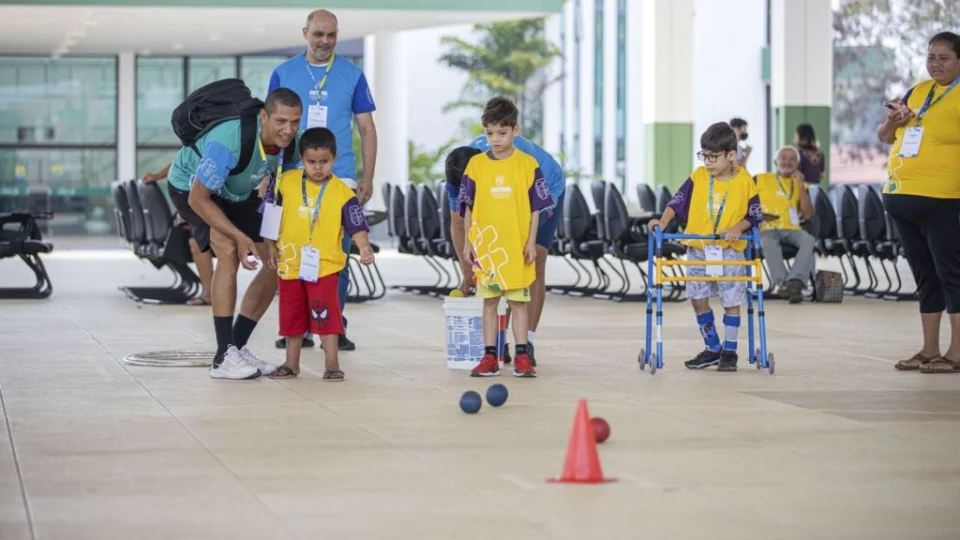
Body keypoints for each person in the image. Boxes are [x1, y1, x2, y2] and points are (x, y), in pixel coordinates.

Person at [167, 88, 304, 380]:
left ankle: (237, 346)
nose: (288, 130)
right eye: (281, 121)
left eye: (295, 122)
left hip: (237, 193)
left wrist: (271, 239)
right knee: (228, 251)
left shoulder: (292, 146)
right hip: (191, 189)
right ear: (263, 116)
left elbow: (282, 194)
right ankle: (222, 358)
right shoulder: (229, 140)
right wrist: (242, 239)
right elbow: (198, 198)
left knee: (275, 259)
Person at [268, 8, 378, 352]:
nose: (325, 42)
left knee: (337, 255)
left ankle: (333, 325)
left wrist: (367, 176)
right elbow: (270, 127)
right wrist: (267, 175)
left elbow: (366, 128)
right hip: (291, 175)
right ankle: (296, 329)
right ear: (305, 34)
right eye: (318, 34)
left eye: (331, 35)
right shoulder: (283, 72)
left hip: (339, 175)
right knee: (291, 254)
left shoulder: (352, 74)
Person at [647, 122, 763, 372]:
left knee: (731, 300)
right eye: (704, 156)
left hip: (730, 251)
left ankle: (730, 351)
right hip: (699, 248)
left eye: (713, 157)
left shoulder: (744, 181)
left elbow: (755, 216)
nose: (707, 162)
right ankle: (712, 347)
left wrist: (737, 228)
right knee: (698, 299)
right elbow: (676, 203)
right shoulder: (698, 176)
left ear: (731, 155)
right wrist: (662, 221)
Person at [878, 31, 960, 374]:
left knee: (951, 273)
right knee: (925, 275)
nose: (935, 64)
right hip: (901, 195)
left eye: (943, 58)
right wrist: (894, 121)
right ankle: (930, 349)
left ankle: (956, 353)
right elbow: (884, 137)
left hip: (943, 198)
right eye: (931, 57)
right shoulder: (918, 91)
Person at [444, 133, 565, 366]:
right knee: (496, 268)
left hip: (544, 189)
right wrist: (467, 272)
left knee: (531, 260)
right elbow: (458, 223)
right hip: (500, 197)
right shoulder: (459, 175)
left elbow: (524, 214)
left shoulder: (514, 166)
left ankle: (526, 341)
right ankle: (500, 342)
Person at [266, 127, 374, 380]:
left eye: (324, 162)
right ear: (302, 158)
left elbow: (356, 225)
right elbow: (272, 213)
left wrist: (365, 247)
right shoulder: (286, 182)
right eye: (311, 162)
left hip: (324, 266)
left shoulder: (343, 193)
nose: (317, 168)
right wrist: (269, 244)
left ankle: (332, 364)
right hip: (290, 264)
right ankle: (291, 364)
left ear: (334, 158)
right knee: (291, 316)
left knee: (325, 314)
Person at [459, 97, 554, 378]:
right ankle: (490, 357)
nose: (495, 139)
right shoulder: (475, 166)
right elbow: (468, 208)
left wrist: (530, 242)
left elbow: (536, 207)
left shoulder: (527, 165)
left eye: (502, 133)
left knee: (518, 301)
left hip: (516, 247)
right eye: (490, 133)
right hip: (487, 249)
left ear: (516, 130)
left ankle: (522, 355)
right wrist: (468, 241)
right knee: (489, 302)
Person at [143, 163, 213, 306]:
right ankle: (209, 293)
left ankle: (210, 293)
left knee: (196, 244)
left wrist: (157, 175)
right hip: (193, 204)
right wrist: (157, 176)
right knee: (191, 242)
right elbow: (180, 161)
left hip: (209, 201)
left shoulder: (209, 144)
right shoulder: (191, 149)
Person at [754, 146, 816, 304]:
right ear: (776, 161)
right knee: (768, 243)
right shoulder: (761, 179)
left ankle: (793, 282)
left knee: (808, 240)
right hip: (767, 227)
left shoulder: (800, 184)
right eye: (783, 158)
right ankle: (785, 285)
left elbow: (808, 214)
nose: (787, 162)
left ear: (797, 164)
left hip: (791, 228)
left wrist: (801, 185)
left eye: (792, 159)